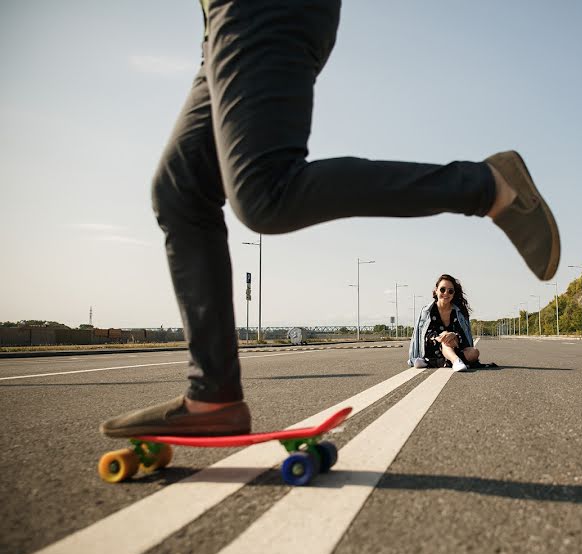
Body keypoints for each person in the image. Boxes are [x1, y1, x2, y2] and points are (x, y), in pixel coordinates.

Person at [100, 0, 558, 437]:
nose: (445, 293)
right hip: (217, 30)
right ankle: (212, 395)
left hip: (257, 10)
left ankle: (489, 186)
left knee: (264, 195)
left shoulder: (453, 311)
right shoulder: (432, 311)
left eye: (447, 289)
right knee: (179, 191)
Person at [408, 274, 480, 372]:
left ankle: (430, 362)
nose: (446, 293)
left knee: (474, 352)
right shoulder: (427, 311)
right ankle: (455, 361)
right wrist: (441, 337)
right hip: (433, 348)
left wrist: (454, 335)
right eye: (442, 289)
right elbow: (425, 335)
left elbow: (464, 336)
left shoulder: (459, 312)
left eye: (450, 291)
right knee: (445, 342)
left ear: (453, 294)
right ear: (436, 290)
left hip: (455, 347)